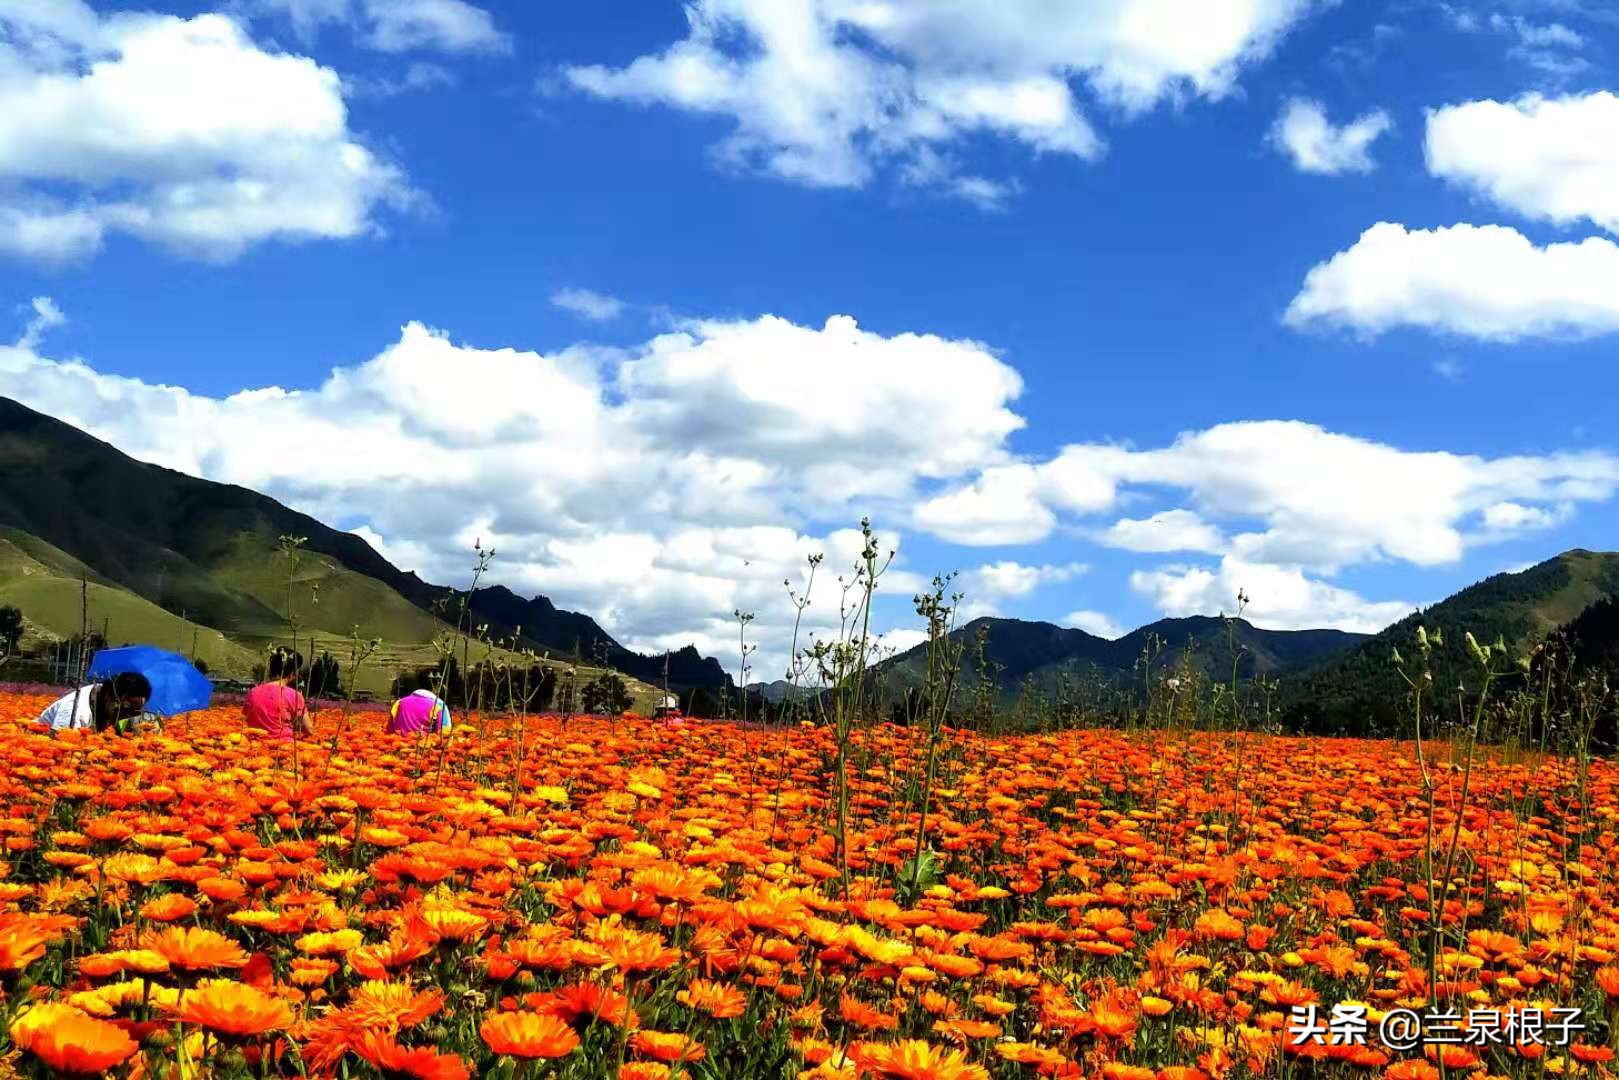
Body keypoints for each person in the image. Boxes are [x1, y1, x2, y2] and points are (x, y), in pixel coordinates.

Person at [37, 672, 155, 734]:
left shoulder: (103, 696)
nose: (128, 717)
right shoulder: (75, 711)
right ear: (110, 696)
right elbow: (57, 746)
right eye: (127, 710)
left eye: (136, 712)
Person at [244, 649, 312, 741]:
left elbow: (248, 719)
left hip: (255, 744)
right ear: (292, 673)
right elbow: (309, 730)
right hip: (284, 746)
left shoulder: (252, 692)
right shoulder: (294, 695)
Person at [387, 687, 452, 735]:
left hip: (400, 744)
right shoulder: (437, 705)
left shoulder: (399, 702)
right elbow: (443, 732)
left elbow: (390, 730)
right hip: (425, 746)